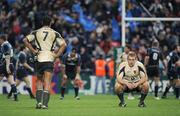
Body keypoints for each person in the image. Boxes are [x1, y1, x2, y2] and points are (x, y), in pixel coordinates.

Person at [23, 15, 66, 109]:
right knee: (47, 82)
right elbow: (63, 44)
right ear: (51, 23)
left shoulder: (36, 32)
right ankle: (44, 104)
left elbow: (25, 40)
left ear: (42, 23)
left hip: (39, 58)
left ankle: (38, 103)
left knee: (39, 81)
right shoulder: (55, 33)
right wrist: (57, 54)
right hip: (49, 58)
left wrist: (33, 51)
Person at [0, 34, 18, 101]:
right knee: (12, 82)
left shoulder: (5, 45)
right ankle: (15, 97)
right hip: (11, 64)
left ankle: (15, 96)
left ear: (2, 39)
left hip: (5, 65)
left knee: (11, 81)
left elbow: (7, 57)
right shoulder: (9, 45)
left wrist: (7, 67)